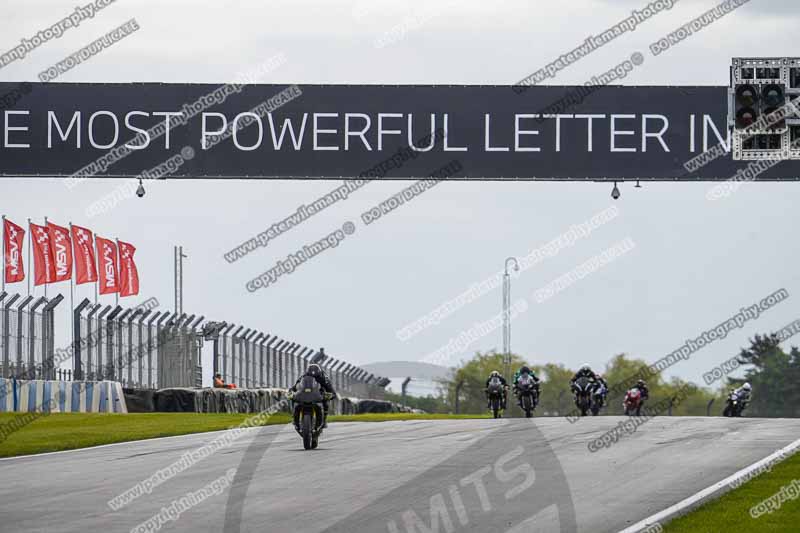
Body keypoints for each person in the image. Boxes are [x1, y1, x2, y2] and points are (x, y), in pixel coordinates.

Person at [289, 363, 337, 429]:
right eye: (311, 375)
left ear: (319, 374)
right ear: (308, 373)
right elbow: (295, 385)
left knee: (326, 401)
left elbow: (330, 388)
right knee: (294, 398)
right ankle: (294, 417)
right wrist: (291, 391)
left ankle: (324, 420)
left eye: (316, 376)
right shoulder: (304, 376)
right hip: (305, 394)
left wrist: (332, 394)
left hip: (318, 394)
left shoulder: (324, 378)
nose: (314, 377)